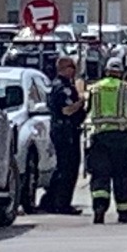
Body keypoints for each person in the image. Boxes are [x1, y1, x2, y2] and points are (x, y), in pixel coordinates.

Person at [84, 57, 127, 223]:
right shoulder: (126, 89)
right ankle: (124, 212)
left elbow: (87, 111)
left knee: (100, 175)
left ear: (106, 71)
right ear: (121, 73)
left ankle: (99, 209)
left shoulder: (94, 89)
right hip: (121, 138)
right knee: (122, 176)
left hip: (99, 137)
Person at [41, 55, 84, 214]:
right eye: (71, 67)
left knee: (63, 168)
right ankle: (61, 203)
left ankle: (51, 201)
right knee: (68, 168)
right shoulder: (62, 87)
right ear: (64, 69)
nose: (74, 70)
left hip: (65, 130)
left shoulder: (62, 85)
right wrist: (81, 101)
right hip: (66, 131)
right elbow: (66, 110)